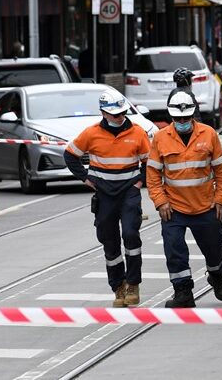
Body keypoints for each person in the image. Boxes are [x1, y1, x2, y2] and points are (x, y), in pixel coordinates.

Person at [63, 90, 150, 307]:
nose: (119, 117)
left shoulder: (137, 133)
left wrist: (139, 181)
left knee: (131, 235)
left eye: (121, 113)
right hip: (104, 195)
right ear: (103, 112)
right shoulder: (91, 133)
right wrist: (85, 178)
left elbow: (150, 163)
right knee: (109, 241)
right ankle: (118, 287)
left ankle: (133, 284)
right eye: (114, 114)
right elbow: (70, 154)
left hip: (129, 192)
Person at [146, 90, 222, 308]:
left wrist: (220, 199)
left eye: (186, 118)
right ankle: (183, 291)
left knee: (214, 247)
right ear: (171, 117)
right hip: (173, 208)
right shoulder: (160, 138)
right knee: (174, 249)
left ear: (192, 115)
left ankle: (217, 276)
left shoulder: (208, 134)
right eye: (178, 119)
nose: (182, 122)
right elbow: (153, 175)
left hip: (205, 206)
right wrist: (160, 201)